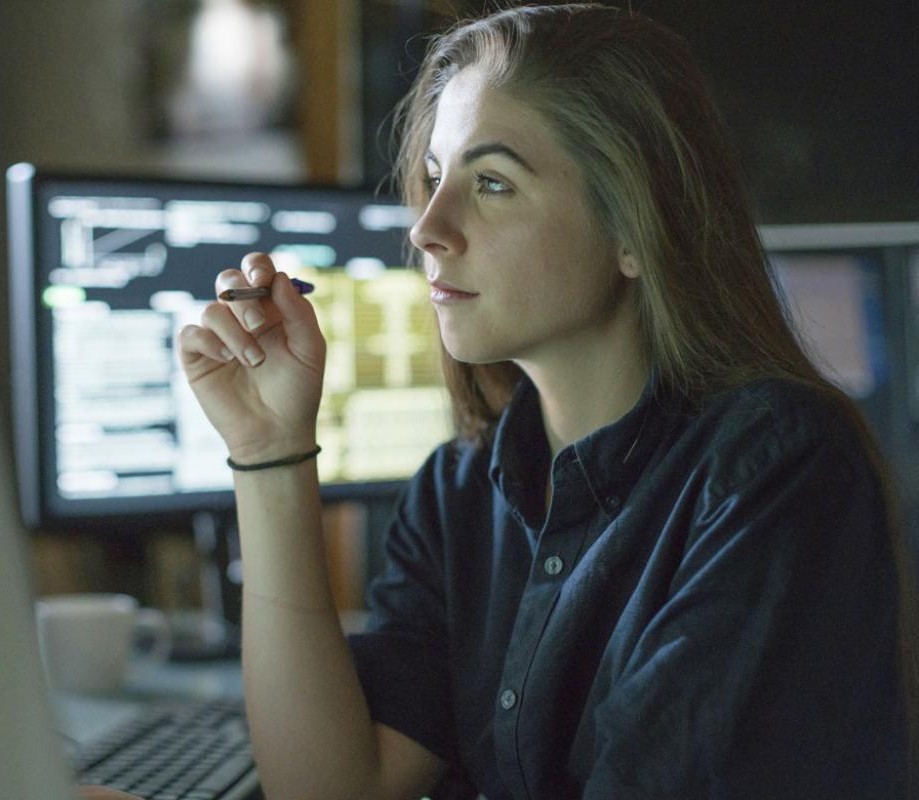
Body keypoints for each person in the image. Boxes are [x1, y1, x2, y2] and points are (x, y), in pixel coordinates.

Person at [104, 3, 919, 799]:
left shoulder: (775, 469)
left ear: (636, 229)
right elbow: (335, 787)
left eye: (491, 182)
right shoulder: (457, 492)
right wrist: (269, 450)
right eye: (431, 178)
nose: (426, 228)